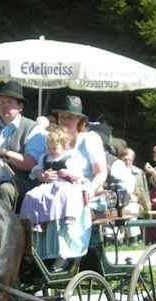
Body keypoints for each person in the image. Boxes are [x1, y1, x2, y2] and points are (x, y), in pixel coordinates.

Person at [29, 95, 105, 268]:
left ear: (79, 120)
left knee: (62, 201)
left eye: (70, 117)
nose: (64, 120)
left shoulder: (89, 139)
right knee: (36, 199)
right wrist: (43, 175)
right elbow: (41, 165)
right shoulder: (53, 140)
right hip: (53, 188)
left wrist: (90, 189)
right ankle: (39, 251)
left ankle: (63, 253)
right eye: (62, 117)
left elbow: (101, 173)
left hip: (81, 189)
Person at [0, 81, 46, 212]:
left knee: (4, 190)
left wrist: (6, 154)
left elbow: (30, 163)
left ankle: (5, 224)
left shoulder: (33, 129)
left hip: (19, 184)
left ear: (20, 107)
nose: (4, 106)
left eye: (9, 102)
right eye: (1, 102)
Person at [20, 125, 87, 269]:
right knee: (31, 195)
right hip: (48, 185)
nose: (51, 151)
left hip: (65, 186)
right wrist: (42, 174)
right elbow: (36, 170)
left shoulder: (71, 157)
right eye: (49, 148)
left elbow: (78, 175)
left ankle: (62, 254)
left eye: (54, 148)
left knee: (58, 196)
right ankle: (34, 226)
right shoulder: (45, 157)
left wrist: (67, 173)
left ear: (64, 146)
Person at [109, 147, 151, 245]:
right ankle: (117, 240)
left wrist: (147, 207)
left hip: (134, 201)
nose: (127, 162)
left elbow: (143, 191)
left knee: (131, 212)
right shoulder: (114, 172)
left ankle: (133, 240)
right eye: (125, 160)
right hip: (117, 201)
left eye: (130, 160)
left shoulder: (138, 172)